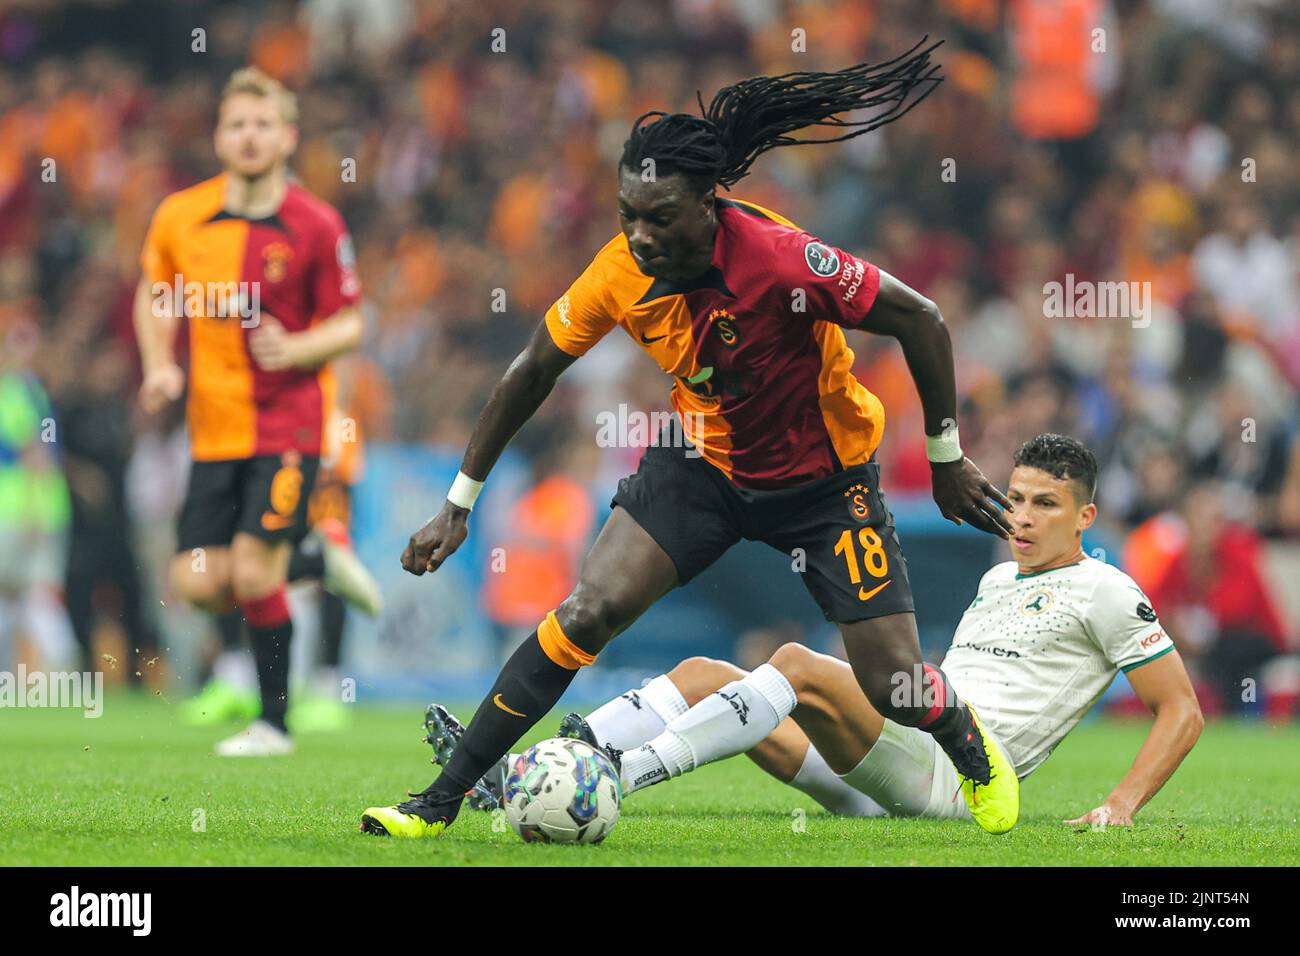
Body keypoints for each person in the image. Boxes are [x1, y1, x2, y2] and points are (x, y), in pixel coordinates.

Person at [363, 42, 1022, 839]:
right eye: (627, 216)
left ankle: (968, 743)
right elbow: (532, 370)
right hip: (704, 466)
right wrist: (457, 504)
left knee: (893, 687)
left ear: (710, 203)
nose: (639, 236)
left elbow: (922, 317)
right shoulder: (618, 272)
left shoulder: (784, 261)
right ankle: (438, 801)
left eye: (660, 217)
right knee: (586, 611)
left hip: (825, 482)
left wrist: (945, 456)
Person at [430, 435, 1205, 830]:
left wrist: (1122, 804)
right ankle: (517, 776)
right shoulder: (999, 576)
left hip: (957, 783)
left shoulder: (1107, 590)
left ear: (1086, 518)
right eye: (1019, 499)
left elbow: (1183, 708)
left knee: (796, 662)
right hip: (891, 772)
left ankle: (612, 781)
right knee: (704, 672)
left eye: (1046, 505)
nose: (1023, 518)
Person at [134, 67, 366, 755]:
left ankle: (274, 724)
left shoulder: (316, 224)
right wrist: (159, 364)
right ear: (218, 137)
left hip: (287, 422)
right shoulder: (181, 215)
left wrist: (297, 347)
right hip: (212, 428)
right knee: (198, 582)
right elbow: (155, 295)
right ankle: (315, 562)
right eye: (237, 124)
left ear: (289, 137)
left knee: (254, 573)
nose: (250, 136)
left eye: (263, 124)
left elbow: (350, 323)